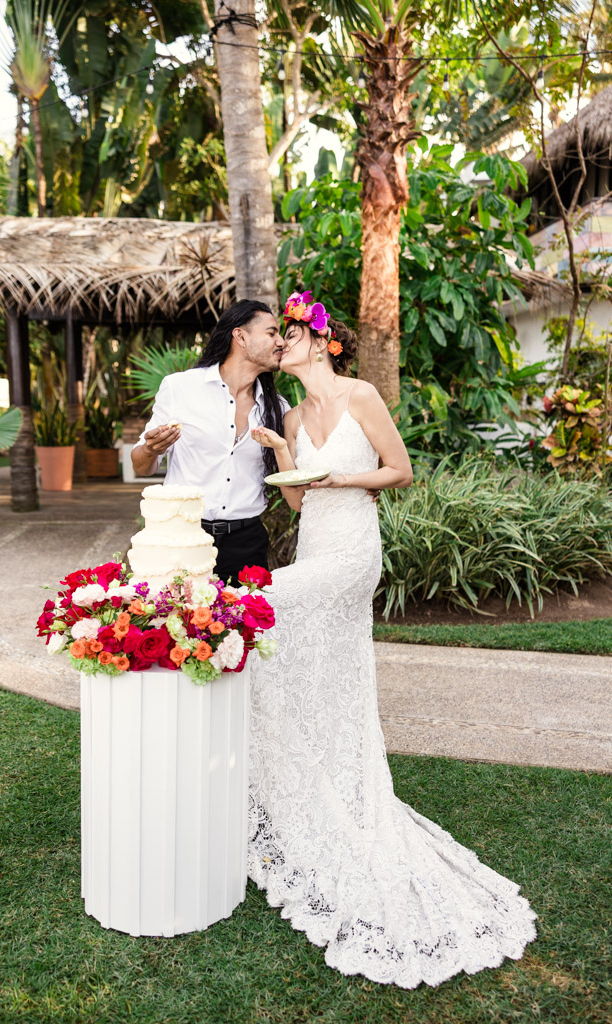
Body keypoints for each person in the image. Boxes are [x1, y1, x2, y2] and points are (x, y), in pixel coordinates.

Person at [248, 290, 537, 989]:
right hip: (314, 537)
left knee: (256, 607)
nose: (278, 346)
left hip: (351, 549)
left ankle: (305, 770)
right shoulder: (289, 412)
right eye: (276, 339)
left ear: (321, 343)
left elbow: (399, 471)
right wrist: (284, 450)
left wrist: (341, 477)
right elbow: (295, 498)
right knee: (309, 659)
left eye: (288, 336)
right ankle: (311, 764)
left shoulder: (360, 395)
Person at [131, 300, 290, 586]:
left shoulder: (278, 408)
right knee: (177, 626)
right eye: (271, 333)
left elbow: (298, 471)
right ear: (240, 337)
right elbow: (141, 466)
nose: (281, 342)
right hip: (182, 537)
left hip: (247, 543)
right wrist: (151, 449)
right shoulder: (180, 388)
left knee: (245, 630)